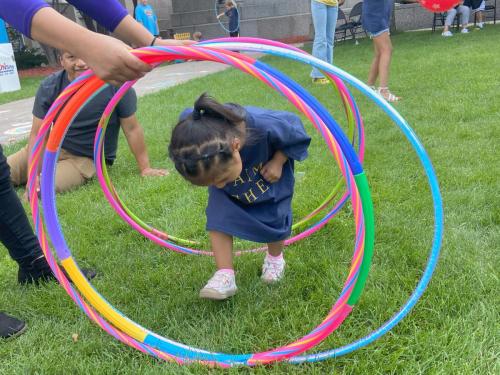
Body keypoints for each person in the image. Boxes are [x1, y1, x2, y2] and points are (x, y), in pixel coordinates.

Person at [0, 0, 194, 340]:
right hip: (50, 151)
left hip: (79, 158)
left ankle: (33, 263)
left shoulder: (113, 95)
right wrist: (87, 44)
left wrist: (149, 42)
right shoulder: (51, 86)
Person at [168, 93, 311, 300]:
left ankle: (275, 258)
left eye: (220, 177)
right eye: (210, 183)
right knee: (218, 219)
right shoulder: (197, 134)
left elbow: (296, 131)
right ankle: (224, 275)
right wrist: (219, 178)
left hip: (267, 178)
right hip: (231, 189)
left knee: (275, 220)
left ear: (236, 146)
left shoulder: (265, 124)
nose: (217, 185)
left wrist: (279, 161)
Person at [7, 50, 167, 194]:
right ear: (61, 60)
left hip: (85, 159)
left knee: (39, 190)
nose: (81, 63)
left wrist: (145, 168)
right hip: (53, 147)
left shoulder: (116, 85)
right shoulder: (50, 86)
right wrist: (32, 173)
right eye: (71, 57)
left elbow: (132, 129)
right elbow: (38, 134)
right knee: (4, 173)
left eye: (86, 56)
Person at [362, 0, 400, 102]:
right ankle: (383, 91)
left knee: (379, 53)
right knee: (387, 50)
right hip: (375, 16)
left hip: (379, 16)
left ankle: (369, 87)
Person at [310, 0, 345, 85]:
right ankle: (317, 75)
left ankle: (329, 73)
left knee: (330, 41)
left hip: (333, 4)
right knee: (321, 39)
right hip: (319, 2)